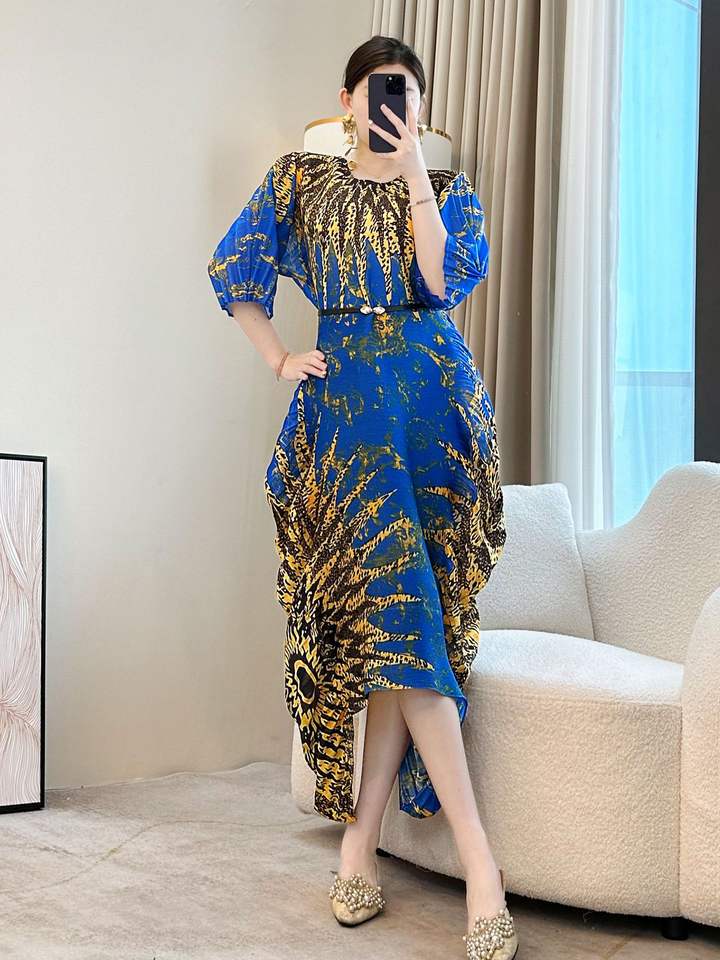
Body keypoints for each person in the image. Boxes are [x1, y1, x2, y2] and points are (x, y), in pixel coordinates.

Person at [207, 33, 516, 960]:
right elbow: (234, 268)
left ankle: (358, 846)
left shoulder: (448, 190)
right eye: (381, 90)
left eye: (408, 93)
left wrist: (416, 171)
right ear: (348, 98)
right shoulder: (300, 181)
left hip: (434, 417)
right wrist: (279, 360)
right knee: (401, 621)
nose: (393, 104)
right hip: (347, 423)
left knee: (399, 629)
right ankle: (482, 868)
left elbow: (441, 281)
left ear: (418, 107)